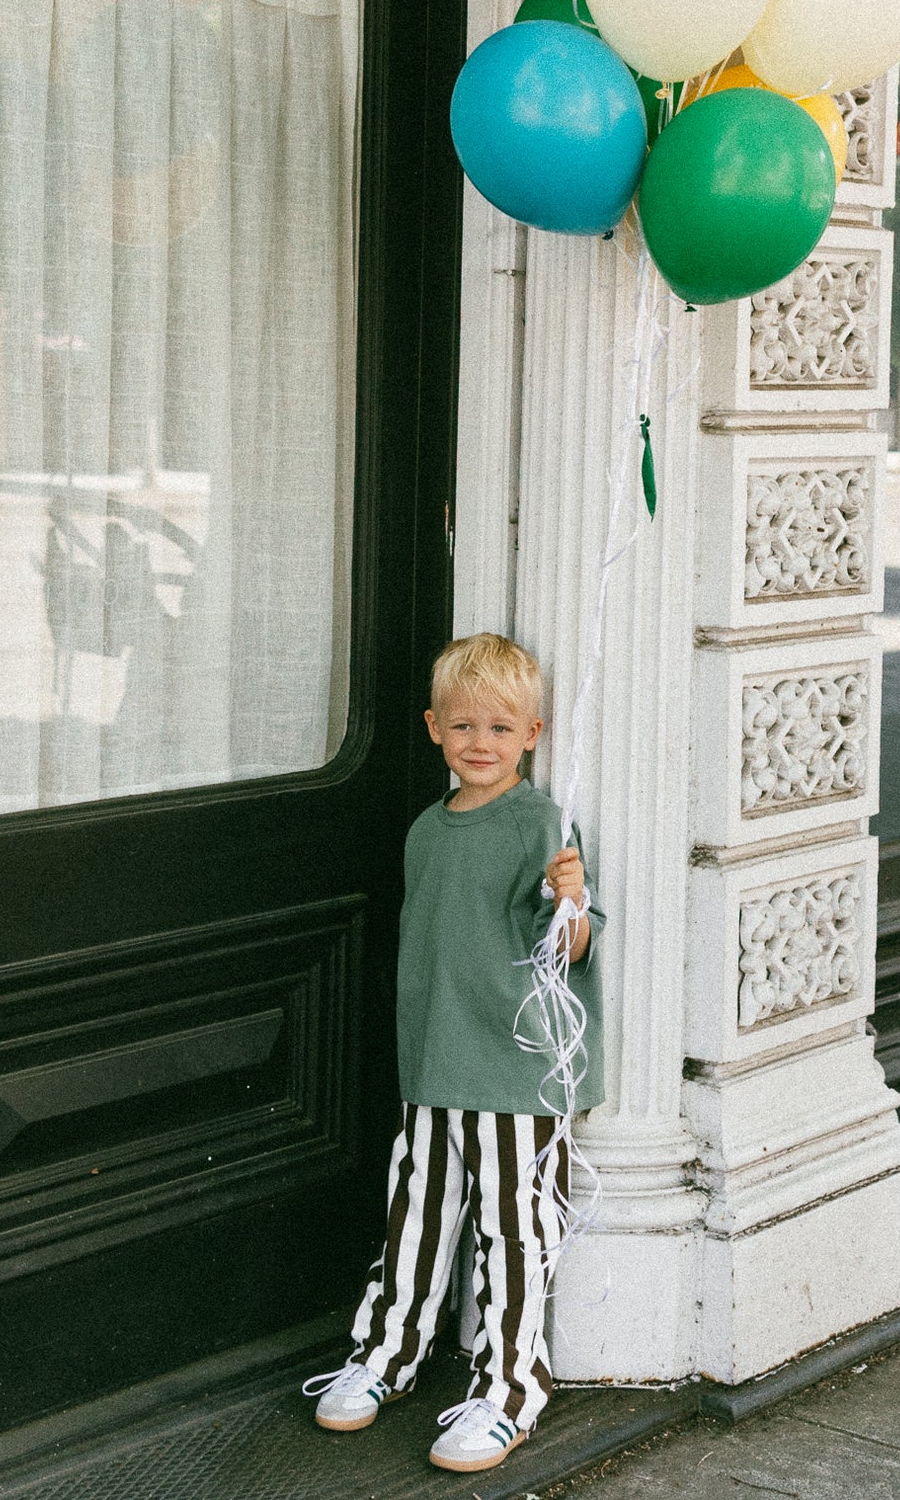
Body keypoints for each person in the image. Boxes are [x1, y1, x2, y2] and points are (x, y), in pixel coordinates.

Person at [303, 632, 604, 1474]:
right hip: (433, 1064)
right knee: (416, 1218)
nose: (481, 742)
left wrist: (571, 903)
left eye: (501, 729)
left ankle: (511, 1388)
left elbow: (572, 948)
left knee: (513, 1231)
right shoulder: (426, 830)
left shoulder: (542, 820)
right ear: (434, 727)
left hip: (513, 1070)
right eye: (464, 724)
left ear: (532, 735)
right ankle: (386, 1355)